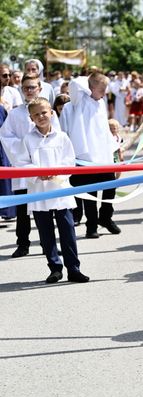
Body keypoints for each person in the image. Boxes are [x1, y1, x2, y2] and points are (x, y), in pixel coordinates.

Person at [18, 98, 89, 284]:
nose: (41, 116)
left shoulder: (62, 137)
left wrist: (56, 173)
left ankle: (73, 268)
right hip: (39, 192)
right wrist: (37, 173)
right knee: (46, 232)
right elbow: (22, 163)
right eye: (36, 114)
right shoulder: (27, 139)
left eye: (44, 112)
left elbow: (69, 161)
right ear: (31, 118)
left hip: (60, 190)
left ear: (51, 112)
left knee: (67, 230)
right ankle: (55, 268)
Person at [0, 73, 61, 257]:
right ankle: (23, 243)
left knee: (47, 209)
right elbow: (6, 136)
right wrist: (23, 150)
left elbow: (57, 135)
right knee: (23, 210)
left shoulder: (48, 111)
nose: (28, 91)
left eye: (32, 87)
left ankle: (48, 244)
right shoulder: (16, 113)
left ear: (39, 89)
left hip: (45, 168)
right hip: (25, 168)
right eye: (25, 87)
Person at [68, 73, 121, 238]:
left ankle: (105, 217)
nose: (104, 93)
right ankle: (91, 226)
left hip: (103, 154)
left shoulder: (101, 103)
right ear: (90, 88)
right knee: (90, 193)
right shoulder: (80, 101)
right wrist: (92, 81)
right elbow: (75, 83)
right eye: (101, 89)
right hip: (87, 156)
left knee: (110, 187)